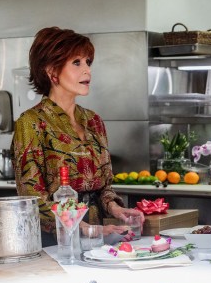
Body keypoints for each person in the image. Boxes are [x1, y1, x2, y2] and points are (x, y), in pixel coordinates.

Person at [11, 27, 144, 247]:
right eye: (77, 63)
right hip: (54, 243)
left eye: (88, 62)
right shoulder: (31, 123)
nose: (87, 71)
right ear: (51, 70)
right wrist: (84, 228)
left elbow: (104, 186)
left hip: (99, 239)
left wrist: (116, 209)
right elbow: (32, 198)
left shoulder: (94, 121)